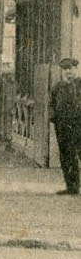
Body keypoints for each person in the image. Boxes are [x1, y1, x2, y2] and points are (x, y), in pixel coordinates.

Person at [51, 57, 81, 196]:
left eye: (71, 68)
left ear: (76, 69)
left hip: (78, 126)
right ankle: (71, 186)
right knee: (66, 156)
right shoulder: (58, 87)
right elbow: (51, 104)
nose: (68, 72)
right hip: (63, 127)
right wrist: (54, 118)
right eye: (65, 69)